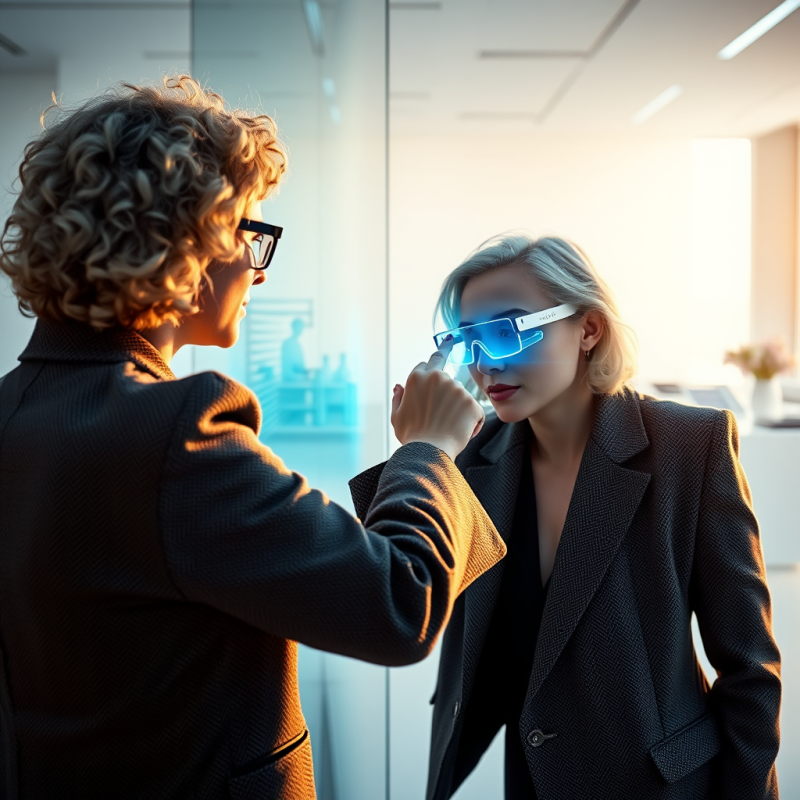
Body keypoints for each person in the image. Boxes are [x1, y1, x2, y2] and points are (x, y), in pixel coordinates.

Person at [0, 76, 505, 799]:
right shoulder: (174, 435)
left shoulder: (13, 410)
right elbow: (399, 603)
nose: (257, 269)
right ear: (188, 238)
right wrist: (426, 448)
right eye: (250, 233)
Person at [351, 235, 781, 800]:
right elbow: (390, 588)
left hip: (657, 785)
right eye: (469, 341)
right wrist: (421, 452)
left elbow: (749, 671)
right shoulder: (473, 460)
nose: (485, 364)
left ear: (588, 329)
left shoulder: (690, 446)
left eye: (509, 331)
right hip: (530, 780)